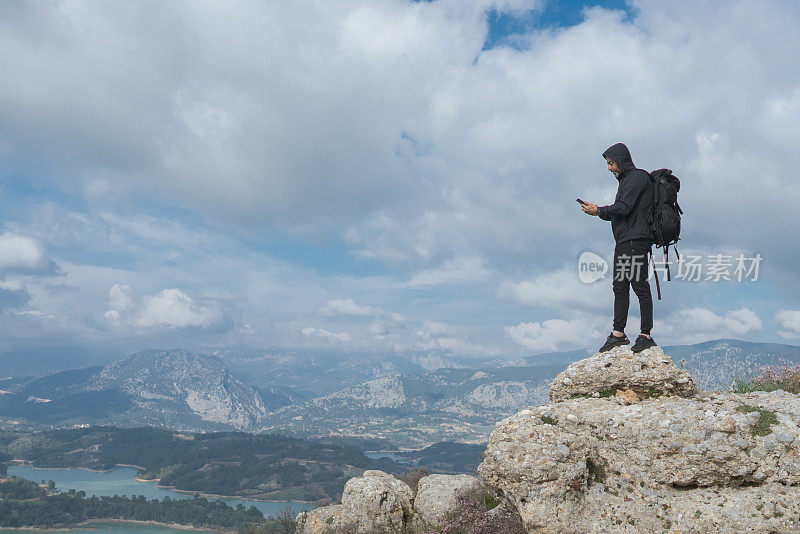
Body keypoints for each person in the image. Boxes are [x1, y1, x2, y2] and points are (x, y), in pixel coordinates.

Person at [580, 142, 657, 353]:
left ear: (622, 160)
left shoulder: (637, 177)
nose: (609, 168)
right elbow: (621, 211)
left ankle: (645, 335)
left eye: (611, 163)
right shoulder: (626, 180)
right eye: (607, 164)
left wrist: (598, 211)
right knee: (620, 286)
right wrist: (599, 212)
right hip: (625, 241)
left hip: (635, 240)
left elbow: (623, 208)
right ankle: (618, 334)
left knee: (639, 286)